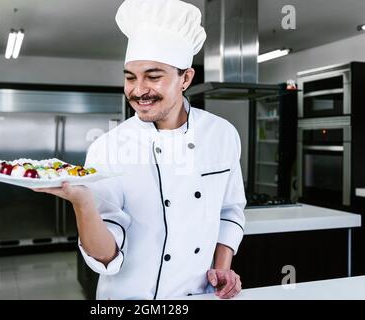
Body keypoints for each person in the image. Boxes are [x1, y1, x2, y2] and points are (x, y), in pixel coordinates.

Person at [34, 0, 246, 300]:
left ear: (185, 78)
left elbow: (230, 210)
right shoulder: (107, 147)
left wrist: (222, 268)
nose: (138, 90)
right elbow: (105, 256)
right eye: (130, 77)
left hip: (199, 295)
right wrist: (83, 203)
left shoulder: (222, 134)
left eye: (153, 76)